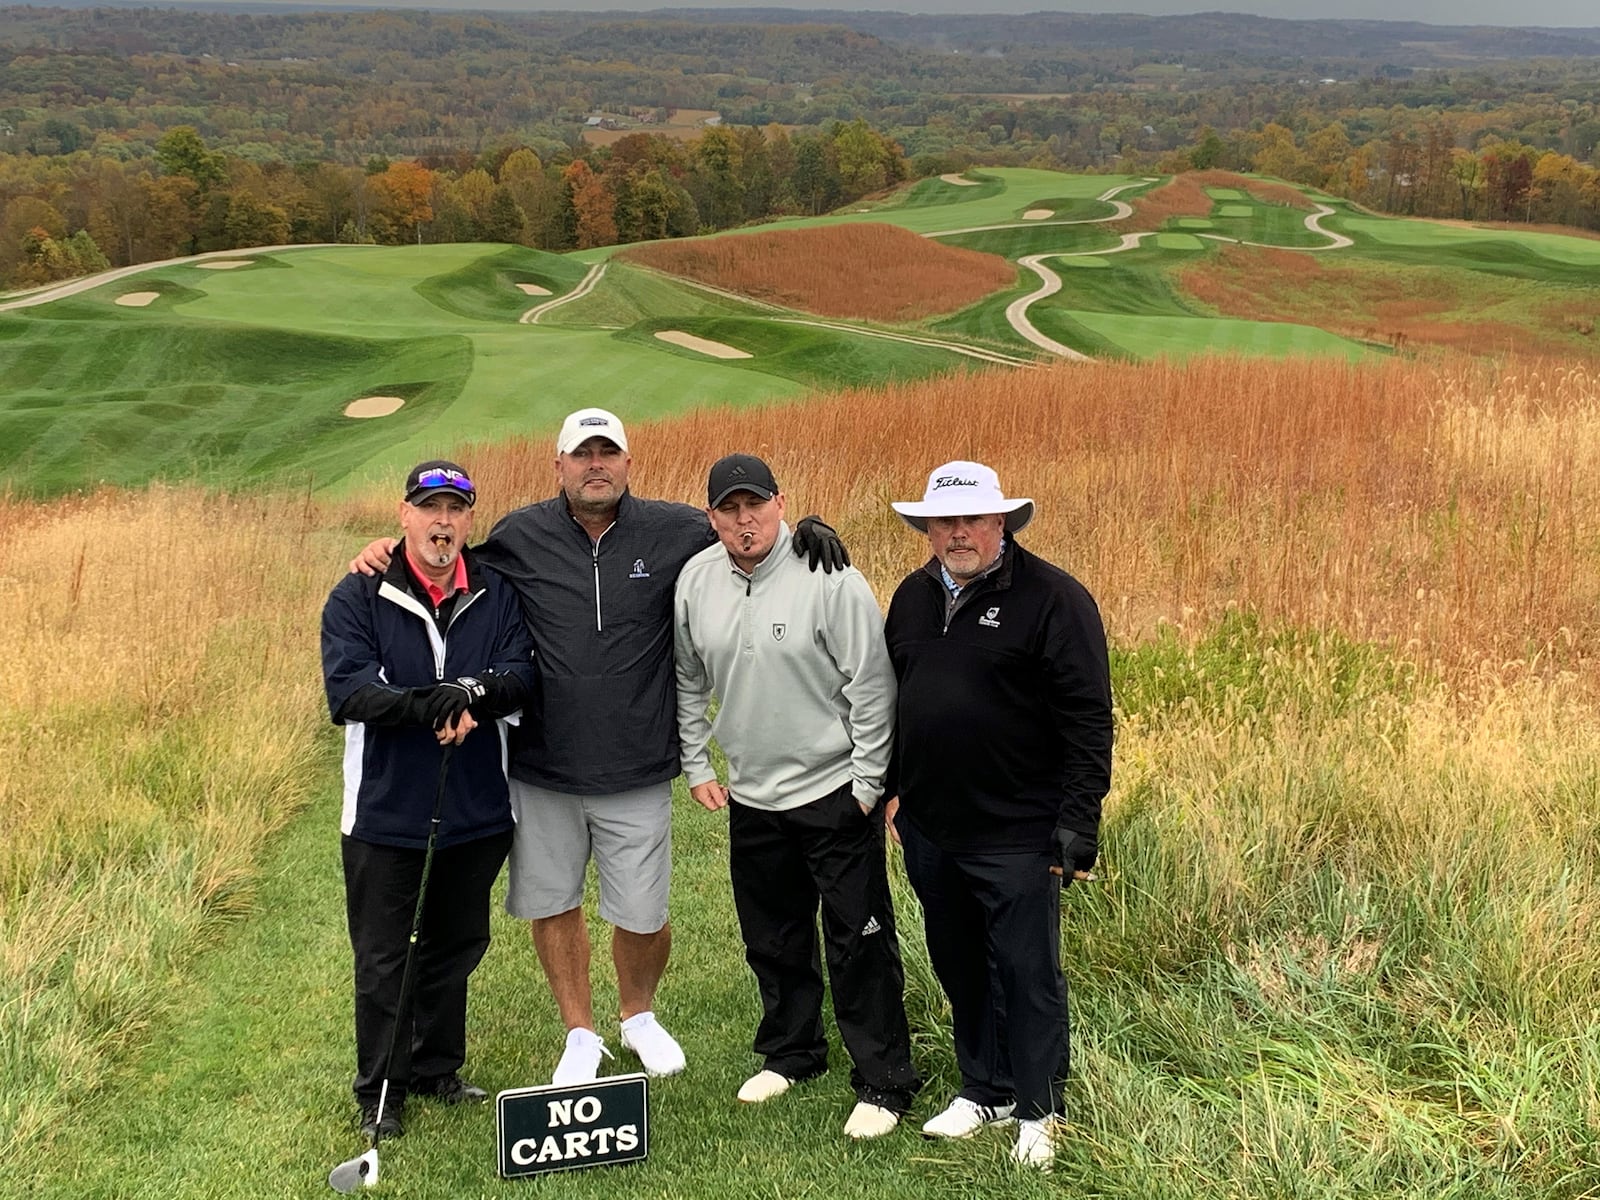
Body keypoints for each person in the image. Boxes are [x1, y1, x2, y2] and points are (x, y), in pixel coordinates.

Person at [349, 409, 848, 1086]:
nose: (595, 465)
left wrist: (810, 528)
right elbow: (444, 556)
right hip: (544, 767)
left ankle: (637, 1015)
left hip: (637, 762)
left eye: (607, 453)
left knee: (643, 912)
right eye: (581, 455)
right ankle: (579, 1032)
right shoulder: (520, 535)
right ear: (559, 467)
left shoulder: (674, 529)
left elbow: (747, 527)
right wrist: (386, 547)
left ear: (627, 464)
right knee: (553, 903)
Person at [673, 454, 921, 1139]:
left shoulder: (829, 574)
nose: (744, 520)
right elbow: (688, 680)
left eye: (755, 504)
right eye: (729, 509)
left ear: (782, 503)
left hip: (834, 789)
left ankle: (883, 1080)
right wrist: (697, 762)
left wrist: (870, 783)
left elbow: (872, 685)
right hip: (753, 793)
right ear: (712, 517)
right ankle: (792, 1052)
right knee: (773, 936)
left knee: (859, 939)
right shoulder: (696, 580)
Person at [881, 460, 1113, 1170]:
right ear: (925, 528)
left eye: (973, 520)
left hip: (1019, 829)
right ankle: (986, 1086)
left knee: (1027, 970)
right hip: (932, 825)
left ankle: (1040, 1108)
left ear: (1001, 522)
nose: (958, 533)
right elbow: (897, 698)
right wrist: (895, 791)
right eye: (944, 522)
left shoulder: (1054, 599)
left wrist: (1080, 819)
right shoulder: (912, 598)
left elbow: (1087, 719)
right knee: (959, 963)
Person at [321, 460, 534, 1140]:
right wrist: (427, 705)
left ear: (470, 520)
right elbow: (350, 691)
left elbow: (520, 672)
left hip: (475, 809)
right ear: (404, 515)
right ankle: (381, 1091)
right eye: (429, 507)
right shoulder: (358, 595)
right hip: (385, 812)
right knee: (386, 955)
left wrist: (471, 693)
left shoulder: (495, 591)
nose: (442, 522)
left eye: (455, 510)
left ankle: (437, 1067)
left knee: (455, 942)